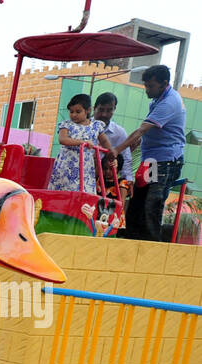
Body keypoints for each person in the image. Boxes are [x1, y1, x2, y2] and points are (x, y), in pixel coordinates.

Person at [118, 65, 187, 243]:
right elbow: (149, 131)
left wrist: (117, 150)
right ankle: (132, 237)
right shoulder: (156, 100)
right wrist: (138, 142)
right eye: (146, 85)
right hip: (152, 161)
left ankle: (151, 243)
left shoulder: (170, 102)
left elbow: (141, 129)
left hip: (166, 161)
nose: (147, 90)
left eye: (150, 86)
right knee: (138, 200)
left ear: (164, 83)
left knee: (153, 203)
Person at [48, 94, 114, 194]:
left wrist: (112, 156)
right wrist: (82, 142)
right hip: (67, 165)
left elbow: (104, 142)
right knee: (64, 190)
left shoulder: (95, 126)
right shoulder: (67, 125)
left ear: (88, 110)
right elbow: (63, 139)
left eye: (78, 111)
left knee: (83, 191)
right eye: (71, 111)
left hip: (85, 166)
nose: (74, 115)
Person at [93, 92, 133, 196]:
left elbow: (126, 159)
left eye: (109, 110)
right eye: (101, 109)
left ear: (114, 110)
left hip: (104, 185)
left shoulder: (119, 133)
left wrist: (128, 181)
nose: (104, 114)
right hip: (82, 176)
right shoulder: (83, 126)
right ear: (94, 108)